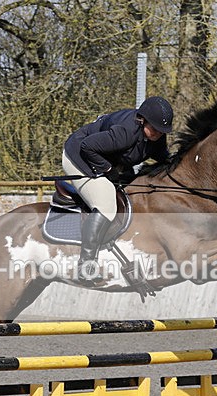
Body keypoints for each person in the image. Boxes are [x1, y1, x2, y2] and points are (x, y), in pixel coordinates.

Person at [62, 96, 174, 281]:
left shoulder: (156, 135)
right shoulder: (126, 132)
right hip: (79, 157)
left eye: (162, 131)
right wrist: (108, 170)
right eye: (154, 128)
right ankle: (85, 265)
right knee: (106, 203)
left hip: (106, 158)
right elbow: (87, 147)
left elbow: (164, 158)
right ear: (142, 119)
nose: (158, 134)